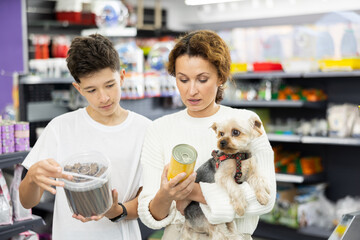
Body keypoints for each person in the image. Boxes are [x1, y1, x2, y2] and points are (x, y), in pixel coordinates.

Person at [138, 30, 276, 240]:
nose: (191, 91)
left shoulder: (246, 121)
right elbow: (150, 215)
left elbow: (265, 199)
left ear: (220, 76)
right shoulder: (159, 129)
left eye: (202, 79)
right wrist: (166, 196)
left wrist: (192, 192)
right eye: (183, 79)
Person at [19, 34, 151, 240]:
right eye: (91, 90)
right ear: (78, 89)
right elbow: (27, 202)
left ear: (122, 77)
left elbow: (149, 203)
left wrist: (117, 211)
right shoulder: (60, 128)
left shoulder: (146, 130)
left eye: (110, 85)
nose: (103, 97)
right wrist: (32, 178)